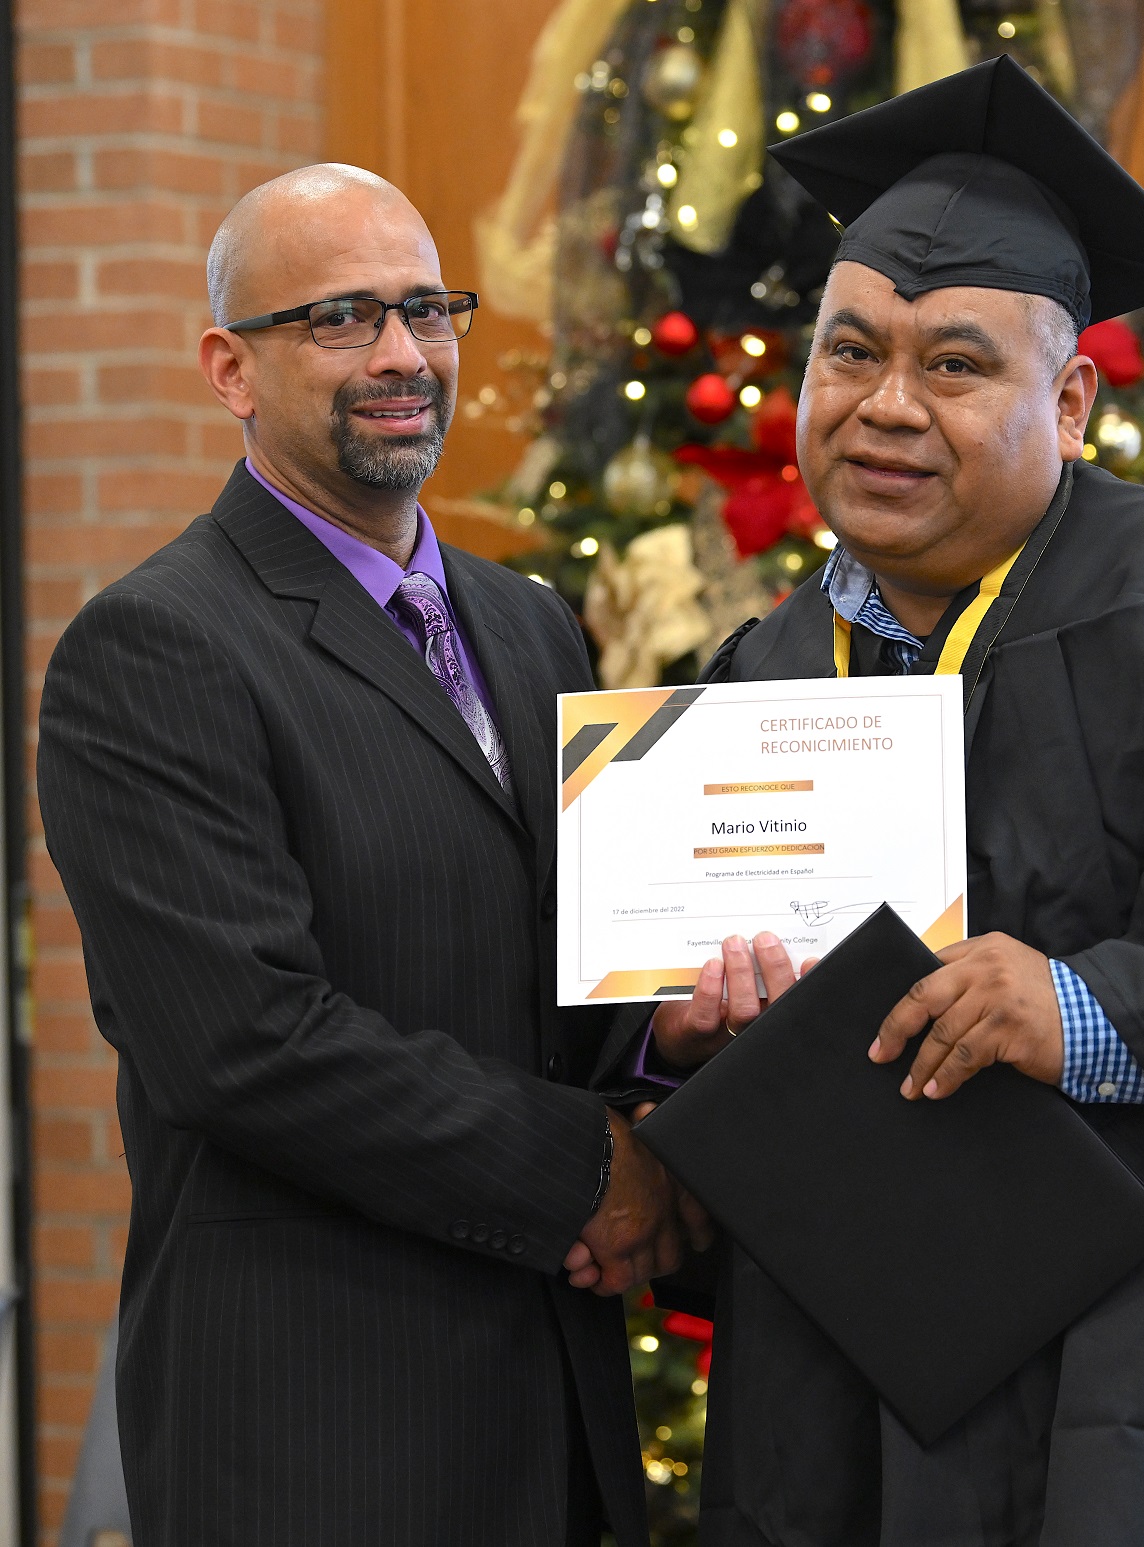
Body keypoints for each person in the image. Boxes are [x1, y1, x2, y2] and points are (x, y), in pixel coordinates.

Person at [610, 58, 1144, 1547]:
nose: (886, 407)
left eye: (954, 365)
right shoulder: (748, 678)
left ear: (1068, 398)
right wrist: (684, 1044)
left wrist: (1090, 1011)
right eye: (848, 352)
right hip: (837, 1374)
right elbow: (669, 1050)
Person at [37, 164, 697, 1547]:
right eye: (339, 319)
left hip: (549, 1398)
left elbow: (569, 957)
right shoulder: (158, 646)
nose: (401, 355)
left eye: (424, 310)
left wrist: (675, 1046)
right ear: (231, 368)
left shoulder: (529, 626)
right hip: (322, 1423)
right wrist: (591, 1168)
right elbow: (246, 1039)